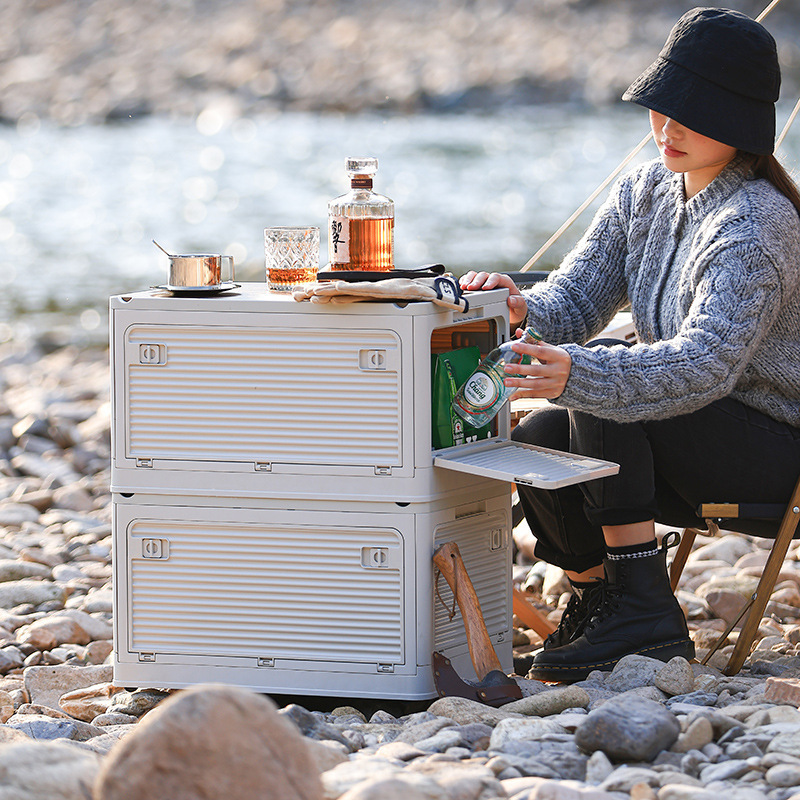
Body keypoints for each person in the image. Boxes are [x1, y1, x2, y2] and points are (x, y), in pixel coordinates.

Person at [460, 7, 800, 682]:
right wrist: (521, 306)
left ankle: (645, 608)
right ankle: (604, 599)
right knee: (541, 441)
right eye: (661, 107)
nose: (666, 128)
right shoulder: (645, 191)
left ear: (739, 123)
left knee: (602, 375)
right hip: (680, 433)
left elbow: (706, 366)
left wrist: (577, 373)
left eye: (690, 113)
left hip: (770, 452)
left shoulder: (756, 225)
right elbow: (577, 301)